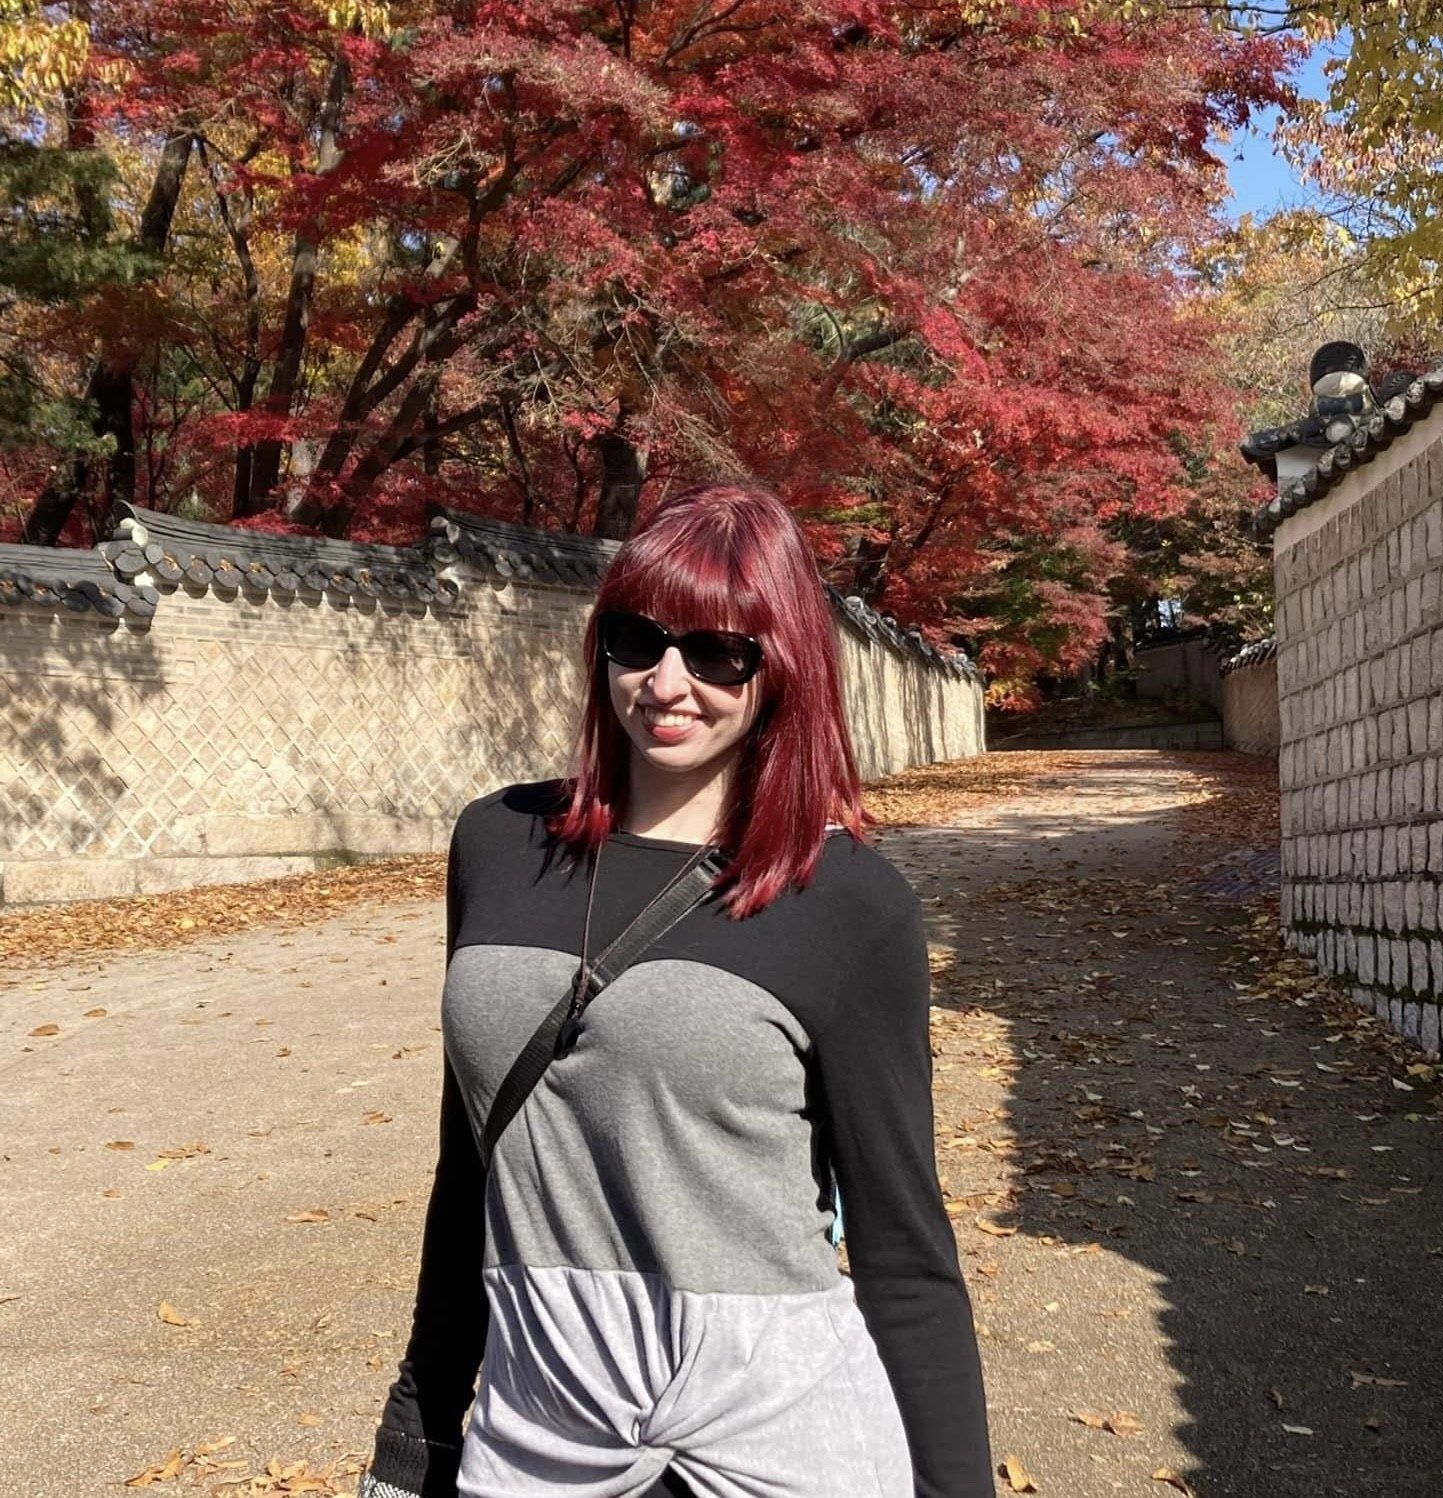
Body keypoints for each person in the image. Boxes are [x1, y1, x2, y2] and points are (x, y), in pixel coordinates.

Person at [359, 481, 994, 1498]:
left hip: (779, 1443)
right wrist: (422, 1430)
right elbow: (468, 1171)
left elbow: (905, 1252)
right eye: (637, 639)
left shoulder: (848, 905)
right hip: (540, 1434)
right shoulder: (495, 842)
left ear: (778, 667)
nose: (666, 681)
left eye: (717, 652)